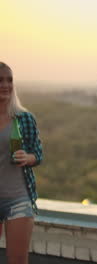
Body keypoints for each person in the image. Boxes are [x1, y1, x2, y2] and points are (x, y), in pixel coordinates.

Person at [0, 62, 43, 264]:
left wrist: (28, 158)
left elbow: (38, 154)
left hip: (18, 198)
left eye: (9, 80)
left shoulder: (24, 118)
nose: (5, 85)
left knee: (17, 260)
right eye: (0, 80)